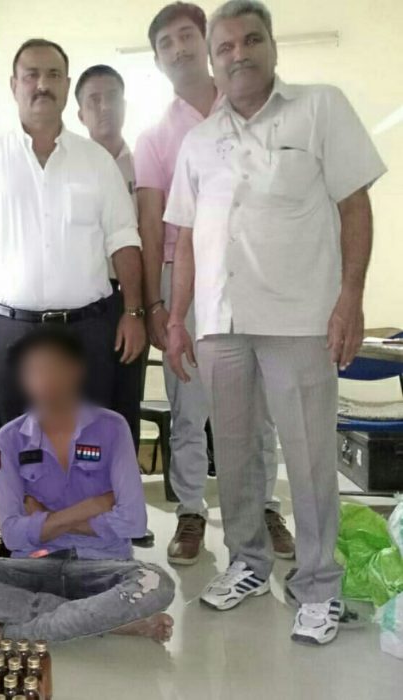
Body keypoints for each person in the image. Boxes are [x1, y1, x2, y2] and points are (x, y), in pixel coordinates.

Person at [164, 0, 386, 645]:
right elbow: (186, 238)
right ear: (213, 62)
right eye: (225, 47)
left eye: (251, 40)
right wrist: (176, 318)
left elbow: (354, 205)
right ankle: (248, 564)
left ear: (272, 46)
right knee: (234, 457)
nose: (239, 54)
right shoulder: (198, 141)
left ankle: (318, 585)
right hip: (221, 323)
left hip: (299, 320)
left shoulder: (319, 108)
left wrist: (350, 298)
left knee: (310, 459)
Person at [134, 1, 293, 566]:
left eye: (186, 36)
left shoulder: (255, 107)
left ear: (206, 42)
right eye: (165, 43)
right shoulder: (155, 137)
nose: (178, 48)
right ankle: (191, 512)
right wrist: (157, 304)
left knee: (261, 402)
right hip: (185, 280)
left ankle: (265, 508)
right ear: (157, 60)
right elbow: (152, 225)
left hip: (254, 271)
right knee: (189, 404)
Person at [0, 38, 146, 424]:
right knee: (22, 448)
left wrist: (133, 312)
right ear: (14, 85)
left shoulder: (97, 162)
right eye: (31, 75)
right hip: (10, 334)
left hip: (87, 333)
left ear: (66, 86)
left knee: (88, 447)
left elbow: (124, 240)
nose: (42, 85)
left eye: (53, 75)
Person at [0, 326, 175, 643]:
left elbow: (133, 522)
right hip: (36, 566)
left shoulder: (112, 427)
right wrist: (92, 507)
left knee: (156, 582)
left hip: (102, 566)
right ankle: (111, 623)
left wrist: (45, 518)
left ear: (76, 372)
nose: (47, 381)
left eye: (56, 368)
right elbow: (11, 533)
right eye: (34, 372)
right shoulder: (9, 439)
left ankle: (4, 637)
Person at [76, 64, 156, 550]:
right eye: (94, 99)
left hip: (128, 299)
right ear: (80, 112)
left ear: (126, 105)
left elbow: (151, 237)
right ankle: (84, 515)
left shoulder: (144, 165)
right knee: (82, 410)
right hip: (79, 303)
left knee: (123, 409)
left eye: (113, 97)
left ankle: (129, 513)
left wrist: (140, 309)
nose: (104, 107)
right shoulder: (70, 165)